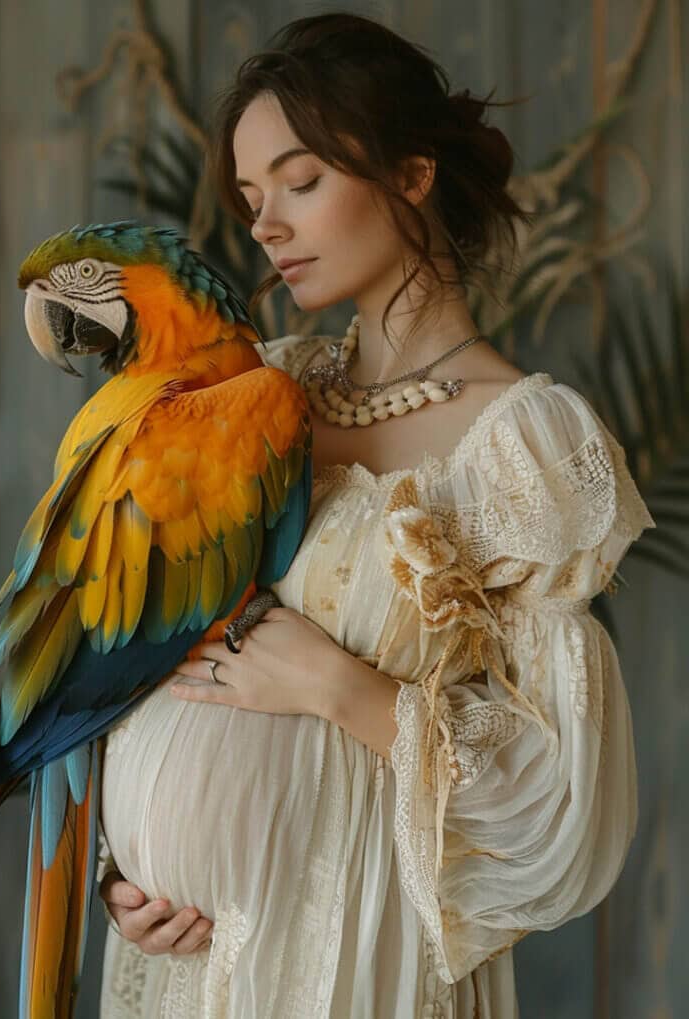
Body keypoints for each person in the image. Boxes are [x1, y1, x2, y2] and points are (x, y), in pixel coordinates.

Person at [95, 12, 654, 1017]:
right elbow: (141, 657)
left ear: (410, 175)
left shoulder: (522, 440)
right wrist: (124, 874)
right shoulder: (257, 387)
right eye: (252, 196)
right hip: (191, 963)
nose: (265, 225)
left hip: (359, 955)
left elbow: (558, 803)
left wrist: (341, 687)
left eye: (299, 181)